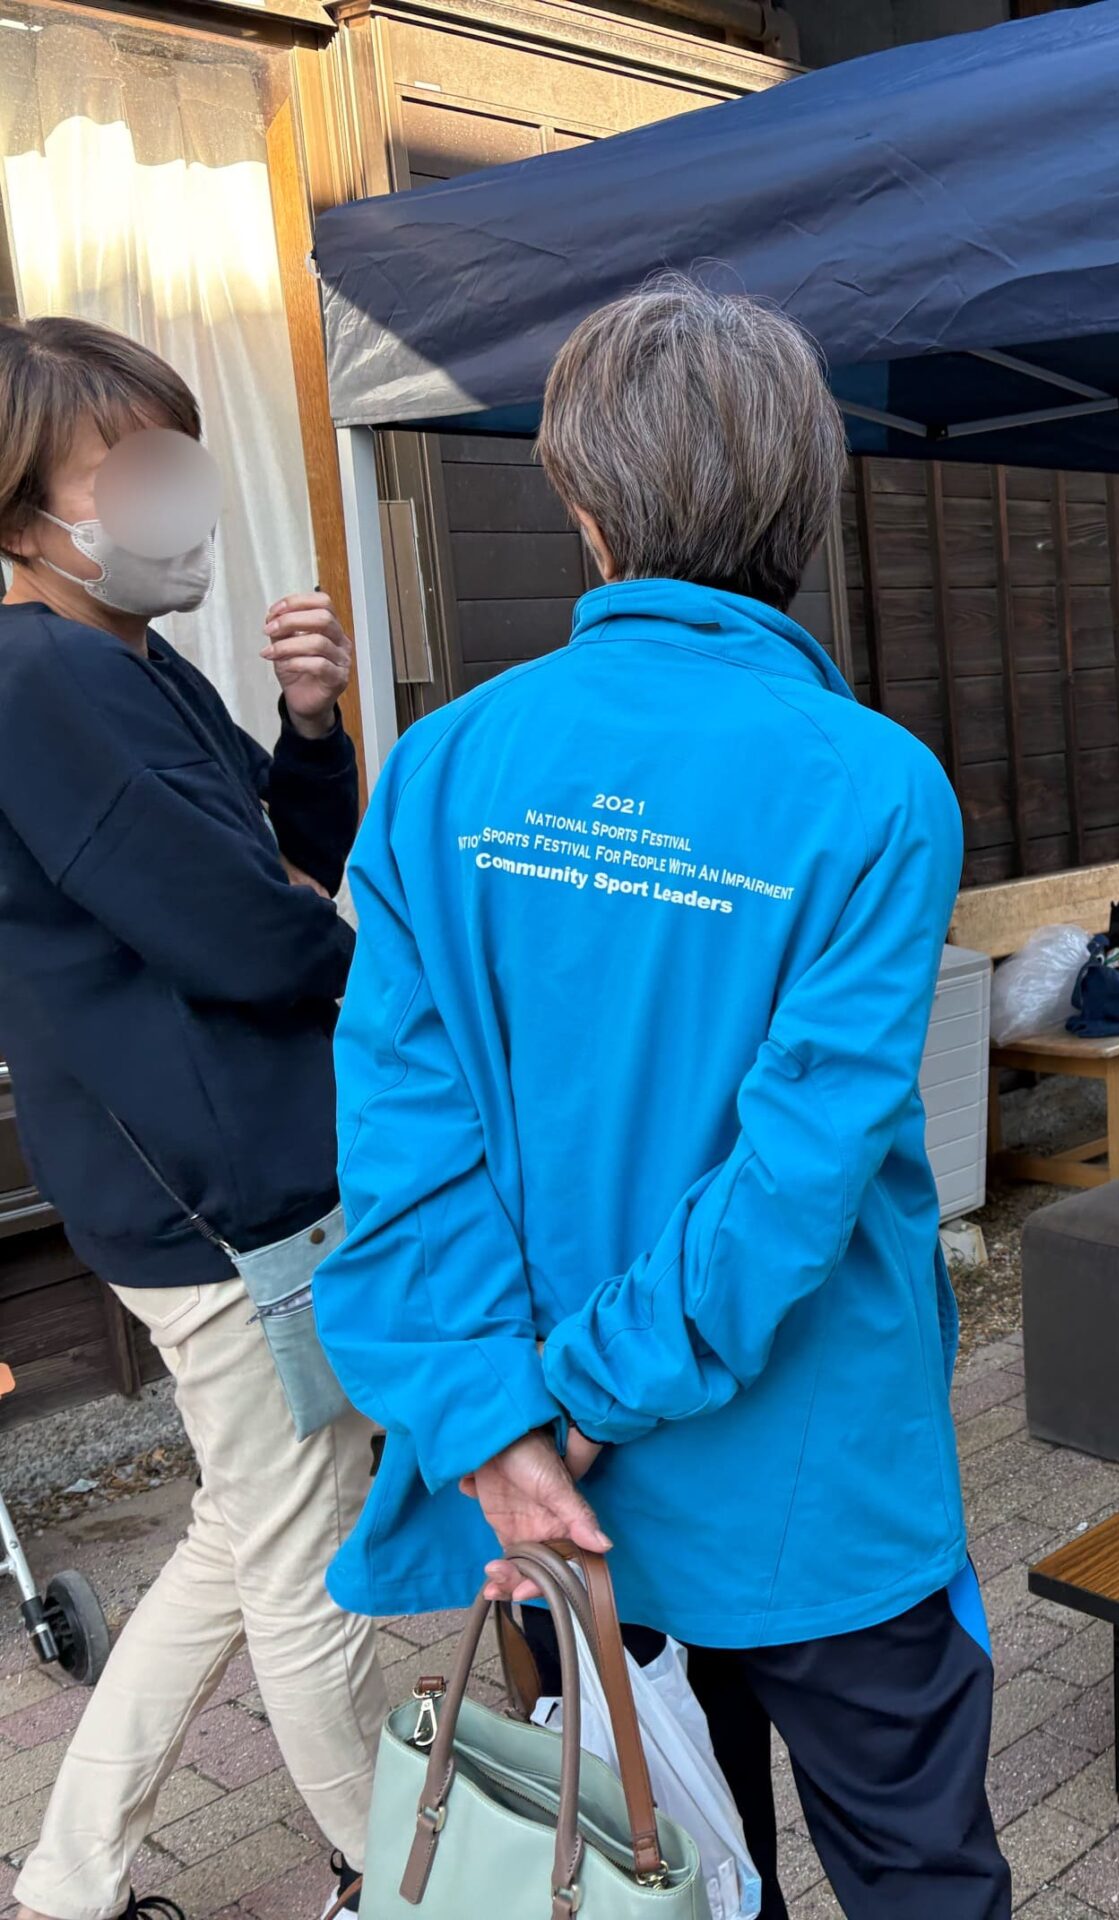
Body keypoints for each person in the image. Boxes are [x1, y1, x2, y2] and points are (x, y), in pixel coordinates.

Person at [314, 274, 1006, 1919]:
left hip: (562, 1499)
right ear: (805, 504)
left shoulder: (444, 765)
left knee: (657, 1866)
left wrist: (497, 1423)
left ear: (574, 496)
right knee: (915, 1871)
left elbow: (406, 1146)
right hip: (807, 1482)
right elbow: (792, 1184)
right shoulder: (873, 784)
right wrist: (566, 1404)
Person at [0, 317, 381, 1920]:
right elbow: (239, 928)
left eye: (177, 452)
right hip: (225, 1199)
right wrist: (366, 952)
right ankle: (408, 1864)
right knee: (306, 1555)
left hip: (218, 1180)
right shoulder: (40, 678)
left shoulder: (123, 665)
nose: (175, 493)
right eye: (130, 466)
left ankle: (72, 1881)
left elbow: (282, 850)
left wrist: (306, 722)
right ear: (27, 514)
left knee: (248, 1523)